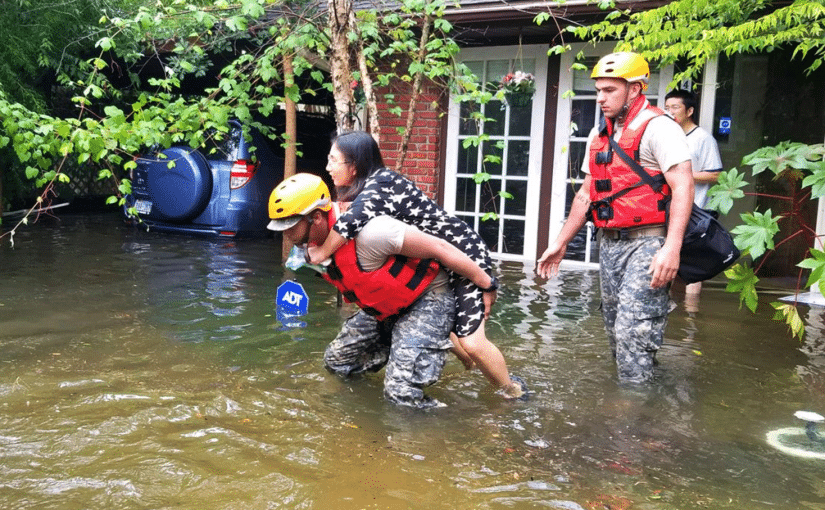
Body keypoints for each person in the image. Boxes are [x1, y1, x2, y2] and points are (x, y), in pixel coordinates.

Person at [267, 173, 524, 408]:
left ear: (317, 217)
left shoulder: (372, 232)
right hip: (386, 309)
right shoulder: (311, 247)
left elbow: (441, 249)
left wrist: (488, 284)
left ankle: (454, 422)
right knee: (337, 362)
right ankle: (364, 406)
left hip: (428, 299)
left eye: (291, 227)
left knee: (400, 391)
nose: (287, 235)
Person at [537, 52, 695, 383]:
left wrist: (672, 247)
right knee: (614, 332)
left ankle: (635, 419)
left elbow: (683, 187)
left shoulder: (659, 128)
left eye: (609, 90)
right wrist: (560, 243)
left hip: (648, 242)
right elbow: (586, 194)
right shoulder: (599, 137)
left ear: (635, 89)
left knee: (633, 331)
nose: (600, 97)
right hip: (609, 244)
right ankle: (636, 404)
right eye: (598, 89)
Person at [664, 89, 724, 297]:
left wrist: (682, 175)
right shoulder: (668, 137)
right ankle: (675, 310)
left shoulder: (703, 139)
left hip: (697, 210)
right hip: (670, 208)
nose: (670, 112)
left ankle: (690, 317)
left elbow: (715, 175)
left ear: (689, 111)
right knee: (669, 260)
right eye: (667, 107)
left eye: (675, 107)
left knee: (692, 264)